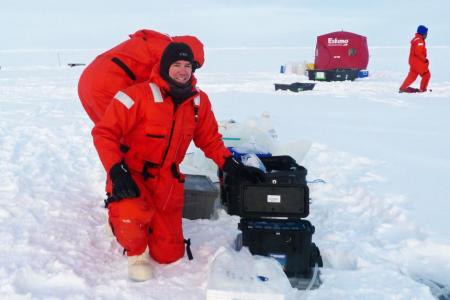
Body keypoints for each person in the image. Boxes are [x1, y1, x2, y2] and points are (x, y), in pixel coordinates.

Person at [92, 42, 265, 281]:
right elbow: (104, 133)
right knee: (133, 217)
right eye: (176, 65)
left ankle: (148, 223)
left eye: (188, 66)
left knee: (169, 254)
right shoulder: (135, 95)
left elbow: (210, 139)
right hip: (132, 173)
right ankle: (126, 234)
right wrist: (116, 169)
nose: (183, 71)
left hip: (167, 179)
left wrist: (231, 166)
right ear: (164, 67)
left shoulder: (198, 102)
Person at [78, 29, 205, 124]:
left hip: (87, 80)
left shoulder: (156, 41)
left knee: (111, 130)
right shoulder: (166, 50)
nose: (190, 70)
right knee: (126, 132)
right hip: (107, 83)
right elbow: (170, 86)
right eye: (193, 65)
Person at [399, 25, 430, 93]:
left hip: (413, 61)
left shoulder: (417, 39)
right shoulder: (419, 41)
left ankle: (402, 88)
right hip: (417, 61)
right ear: (423, 33)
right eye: (426, 33)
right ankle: (422, 90)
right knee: (426, 75)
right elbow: (418, 53)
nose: (427, 35)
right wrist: (425, 60)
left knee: (412, 75)